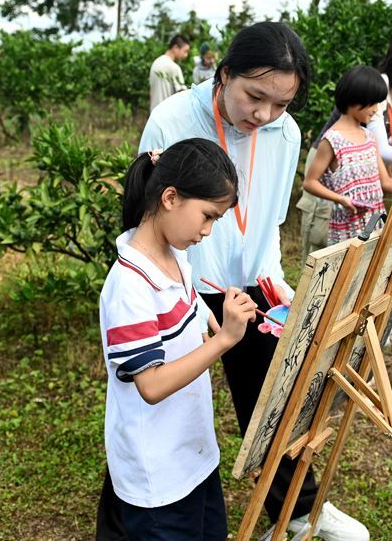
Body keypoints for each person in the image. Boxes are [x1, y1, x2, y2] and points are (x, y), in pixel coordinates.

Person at [123, 22, 369, 541]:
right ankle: (136, 513)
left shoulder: (286, 133)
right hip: (184, 284)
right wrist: (186, 294)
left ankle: (297, 509)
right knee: (163, 406)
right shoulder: (173, 120)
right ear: (224, 73)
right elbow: (149, 215)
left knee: (273, 396)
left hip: (251, 281)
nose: (264, 115)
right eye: (254, 96)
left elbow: (268, 219)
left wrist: (274, 279)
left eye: (280, 104)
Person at [99, 138, 258, 540]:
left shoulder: (176, 257)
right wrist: (222, 343)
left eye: (215, 221)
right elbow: (151, 385)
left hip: (193, 453)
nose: (206, 231)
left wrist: (219, 321)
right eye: (206, 216)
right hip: (158, 477)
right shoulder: (129, 286)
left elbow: (192, 309)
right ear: (170, 197)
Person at [302, 66, 392, 244]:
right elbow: (309, 182)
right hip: (347, 232)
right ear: (355, 100)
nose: (377, 110)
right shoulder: (331, 140)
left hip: (374, 226)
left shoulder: (369, 137)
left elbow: (385, 183)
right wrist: (341, 199)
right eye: (373, 103)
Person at [149, 35, 190, 110]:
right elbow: (184, 97)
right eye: (185, 51)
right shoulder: (174, 68)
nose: (186, 55)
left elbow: (151, 92)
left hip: (154, 113)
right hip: (167, 115)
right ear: (176, 48)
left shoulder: (156, 62)